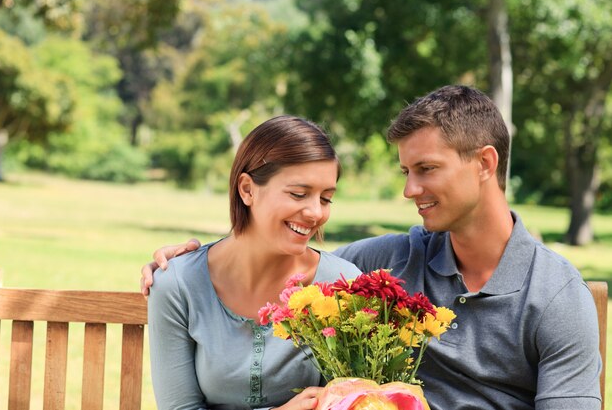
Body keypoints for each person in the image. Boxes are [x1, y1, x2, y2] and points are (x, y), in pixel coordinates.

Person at [142, 85, 602, 410]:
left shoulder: (556, 296)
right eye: (405, 172)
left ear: (484, 163)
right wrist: (186, 264)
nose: (409, 190)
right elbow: (291, 249)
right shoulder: (385, 264)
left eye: (425, 169)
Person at [147, 115, 361, 410]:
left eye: (326, 199)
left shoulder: (343, 284)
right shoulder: (177, 285)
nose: (315, 213)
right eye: (299, 194)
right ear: (247, 189)